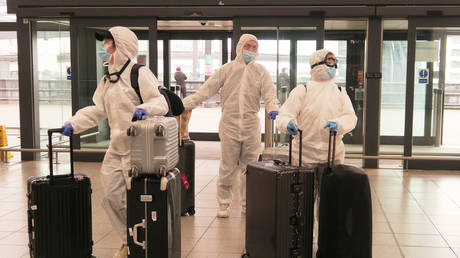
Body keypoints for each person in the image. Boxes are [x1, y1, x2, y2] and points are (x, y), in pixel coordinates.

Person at [61, 26, 168, 258]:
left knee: (137, 198)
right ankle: (129, 239)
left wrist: (143, 109)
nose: (104, 46)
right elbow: (98, 110)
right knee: (111, 197)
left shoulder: (139, 73)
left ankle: (142, 242)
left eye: (108, 42)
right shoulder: (108, 78)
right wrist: (74, 123)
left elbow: (161, 103)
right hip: (116, 148)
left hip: (139, 149)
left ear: (122, 45)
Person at [182, 34, 279, 218]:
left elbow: (270, 94)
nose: (251, 50)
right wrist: (186, 104)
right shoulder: (227, 69)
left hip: (251, 125)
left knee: (250, 167)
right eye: (248, 46)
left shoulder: (261, 72)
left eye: (254, 48)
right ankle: (224, 203)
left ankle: (247, 203)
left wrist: (273, 108)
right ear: (240, 47)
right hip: (229, 124)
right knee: (227, 166)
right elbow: (206, 90)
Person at [276, 49, 357, 165]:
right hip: (303, 154)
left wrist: (339, 124)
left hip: (333, 154)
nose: (333, 64)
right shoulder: (303, 90)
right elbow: (283, 115)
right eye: (329, 60)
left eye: (335, 61)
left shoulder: (340, 91)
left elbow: (350, 117)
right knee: (305, 183)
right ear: (317, 63)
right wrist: (287, 123)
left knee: (330, 183)